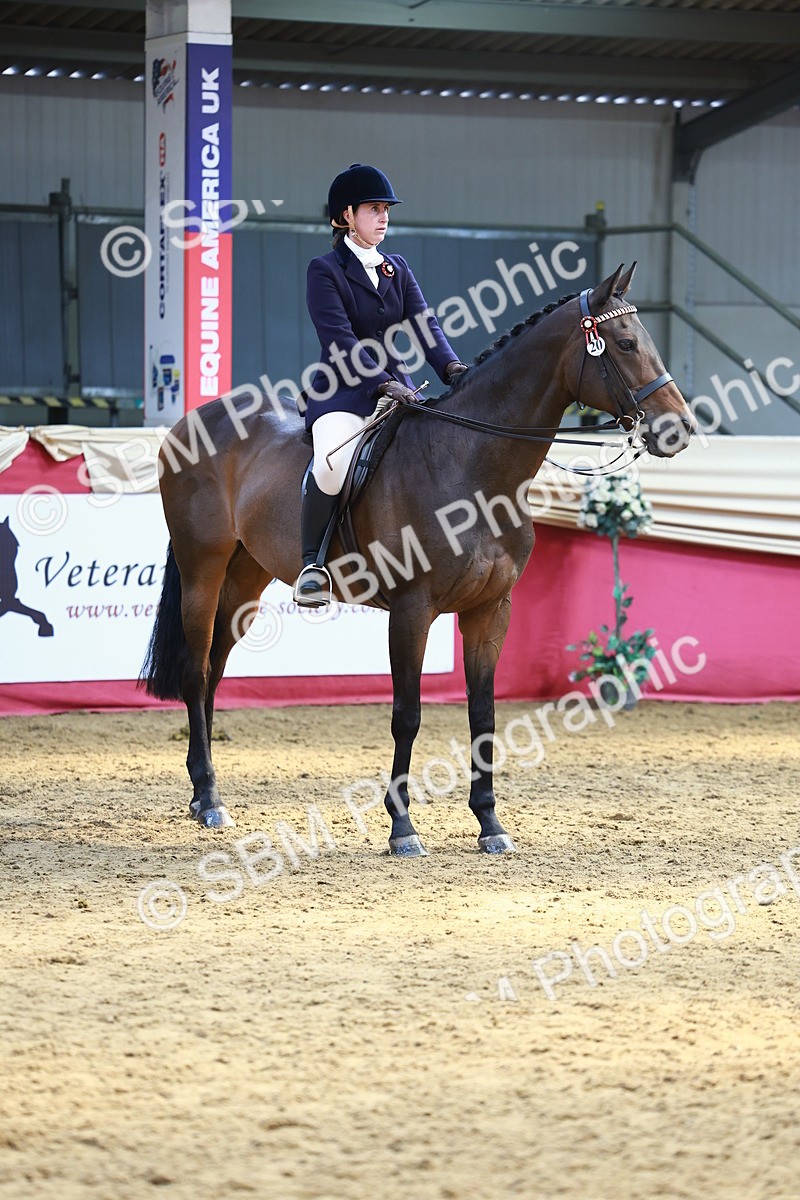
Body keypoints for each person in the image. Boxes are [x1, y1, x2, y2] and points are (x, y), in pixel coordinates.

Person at [294, 163, 468, 608]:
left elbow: (425, 324)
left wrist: (451, 368)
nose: (384, 216)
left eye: (386, 209)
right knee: (332, 463)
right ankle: (312, 565)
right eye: (374, 208)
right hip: (343, 390)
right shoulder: (324, 270)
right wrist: (384, 383)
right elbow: (339, 339)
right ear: (346, 215)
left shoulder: (397, 268)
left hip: (399, 390)